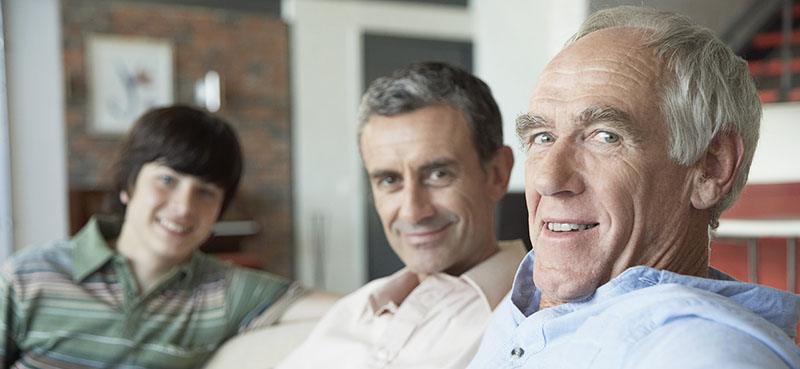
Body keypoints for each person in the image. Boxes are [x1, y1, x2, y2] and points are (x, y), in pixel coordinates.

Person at [466, 6, 800, 369]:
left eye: (605, 136)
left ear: (710, 169)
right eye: (543, 137)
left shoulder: (703, 354)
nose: (548, 180)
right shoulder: (520, 307)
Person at [0, 105, 310, 368]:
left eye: (205, 192)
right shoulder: (28, 276)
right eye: (167, 179)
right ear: (127, 186)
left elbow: (354, 308)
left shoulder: (225, 292)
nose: (183, 207)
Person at [278, 61, 526, 368]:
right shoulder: (354, 309)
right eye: (389, 180)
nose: (412, 210)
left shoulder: (533, 321)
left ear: (497, 174)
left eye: (438, 174)